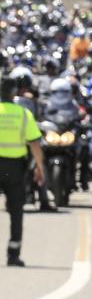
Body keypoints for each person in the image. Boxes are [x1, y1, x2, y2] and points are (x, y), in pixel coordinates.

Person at [0, 77, 47, 267]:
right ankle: (13, 253)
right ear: (14, 93)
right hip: (14, 168)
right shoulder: (23, 114)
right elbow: (34, 143)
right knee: (16, 211)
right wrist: (39, 167)